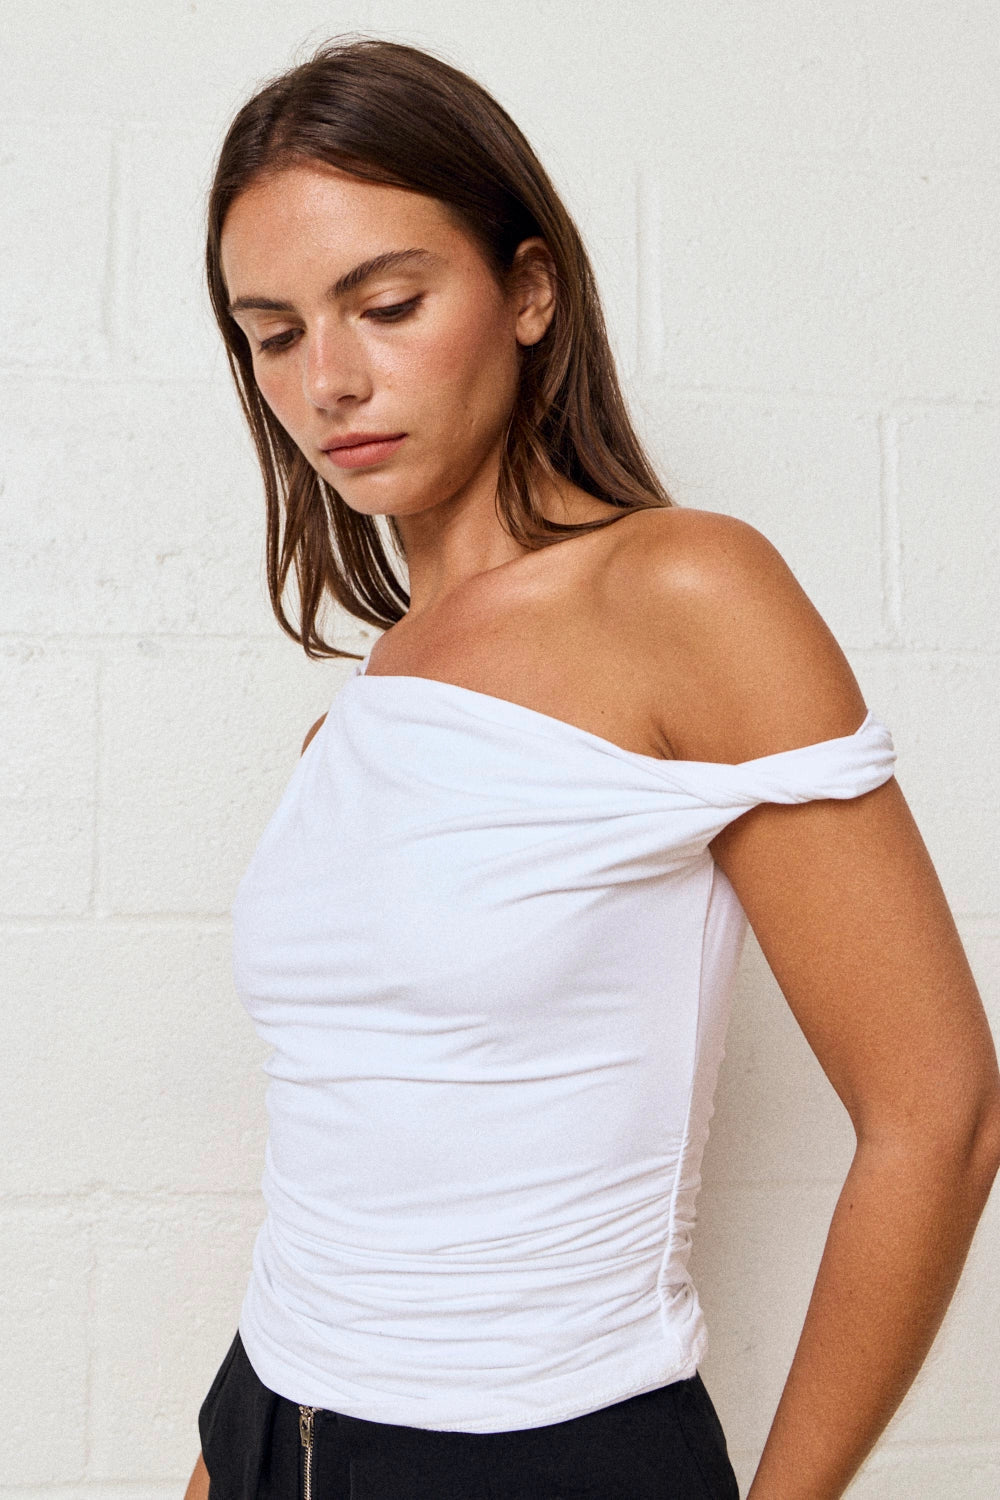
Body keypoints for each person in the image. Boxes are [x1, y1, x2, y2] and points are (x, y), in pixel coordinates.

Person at [183, 35, 1000, 1500]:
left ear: (530, 292)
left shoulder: (688, 593)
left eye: (388, 304)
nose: (332, 381)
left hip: (545, 1458)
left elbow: (941, 1114)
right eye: (277, 333)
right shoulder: (360, 715)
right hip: (266, 1425)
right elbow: (344, 1162)